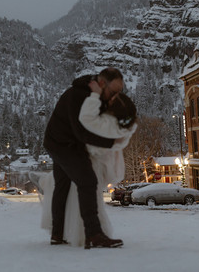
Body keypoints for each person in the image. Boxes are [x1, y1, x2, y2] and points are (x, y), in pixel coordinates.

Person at [38, 81, 137, 248]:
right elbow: (83, 133)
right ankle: (93, 234)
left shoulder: (82, 94)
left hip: (56, 143)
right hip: (66, 145)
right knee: (88, 182)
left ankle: (57, 234)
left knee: (62, 186)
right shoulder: (81, 98)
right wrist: (111, 142)